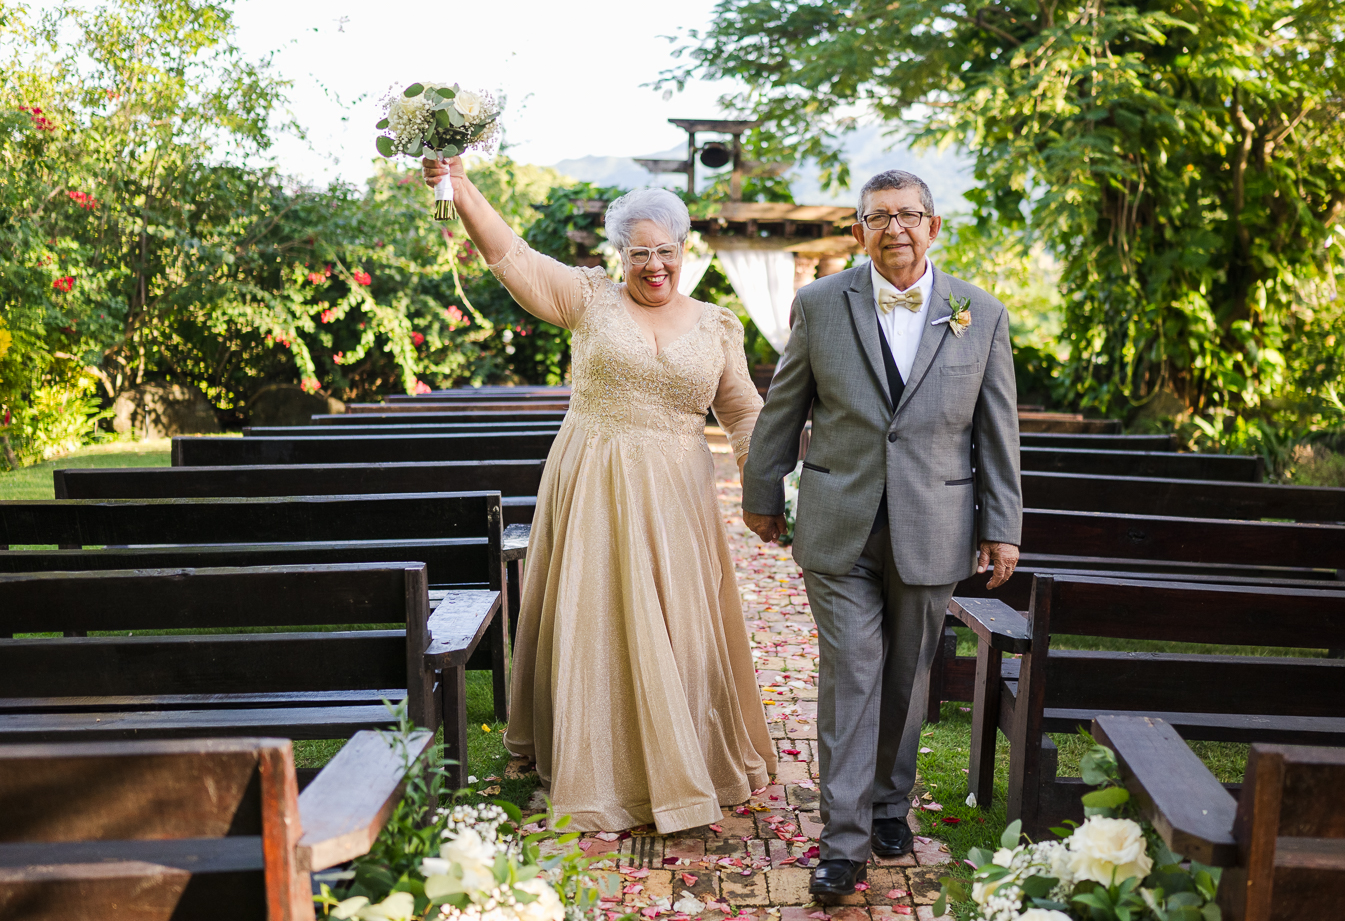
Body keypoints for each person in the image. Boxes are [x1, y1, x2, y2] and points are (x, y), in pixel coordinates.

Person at [421, 157, 774, 833]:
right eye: (639, 252)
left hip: (678, 498)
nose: (653, 266)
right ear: (619, 254)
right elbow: (509, 253)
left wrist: (766, 492)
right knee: (601, 617)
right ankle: (599, 766)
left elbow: (746, 414)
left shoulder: (717, 326)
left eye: (664, 252)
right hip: (596, 486)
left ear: (683, 250)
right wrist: (461, 189)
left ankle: (683, 759)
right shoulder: (586, 298)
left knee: (677, 626)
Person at [741, 169, 1022, 897]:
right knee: (854, 675)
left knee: (907, 675)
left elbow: (997, 434)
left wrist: (1002, 526)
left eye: (908, 215)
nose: (894, 228)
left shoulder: (979, 312)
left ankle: (891, 804)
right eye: (878, 217)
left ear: (933, 225)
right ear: (858, 230)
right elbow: (784, 405)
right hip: (839, 523)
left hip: (935, 524)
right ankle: (844, 842)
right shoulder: (821, 304)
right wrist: (761, 490)